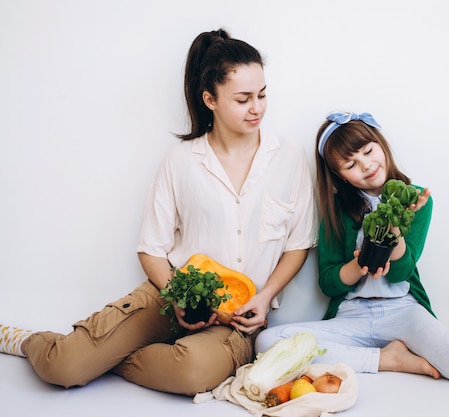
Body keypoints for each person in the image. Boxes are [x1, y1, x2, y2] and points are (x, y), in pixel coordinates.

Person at [0, 29, 317, 396]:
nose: (257, 108)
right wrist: (178, 297)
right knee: (63, 366)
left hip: (237, 321)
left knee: (194, 373)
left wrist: (265, 297)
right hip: (170, 295)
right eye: (243, 99)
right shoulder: (180, 160)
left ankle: (103, 359)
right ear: (210, 99)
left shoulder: (288, 158)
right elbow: (151, 247)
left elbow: (298, 244)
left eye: (262, 95)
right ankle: (28, 342)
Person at [255, 111, 449, 382]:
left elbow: (401, 272)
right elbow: (328, 283)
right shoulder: (335, 210)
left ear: (381, 144)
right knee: (267, 343)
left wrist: (396, 224)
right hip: (352, 316)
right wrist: (359, 265)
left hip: (404, 311)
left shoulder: (416, 199)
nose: (365, 165)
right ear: (340, 177)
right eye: (350, 164)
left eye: (368, 151)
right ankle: (387, 358)